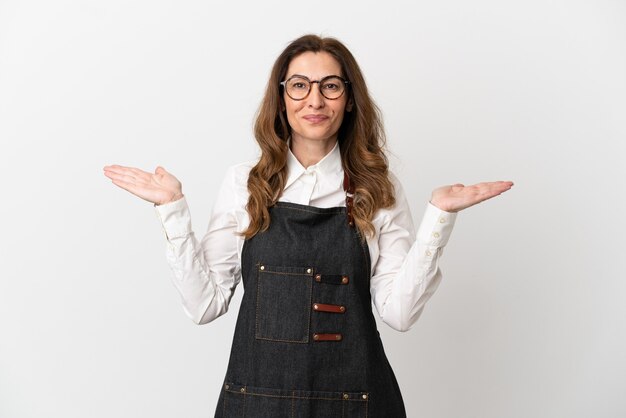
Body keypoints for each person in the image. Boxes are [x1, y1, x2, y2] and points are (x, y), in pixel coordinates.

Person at [103, 34, 513, 418]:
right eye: (299, 85)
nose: (314, 100)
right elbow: (204, 305)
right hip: (258, 403)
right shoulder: (244, 184)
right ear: (281, 98)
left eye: (330, 86)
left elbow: (400, 314)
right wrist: (172, 209)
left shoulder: (378, 189)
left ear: (349, 99)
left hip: (356, 403)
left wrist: (439, 218)